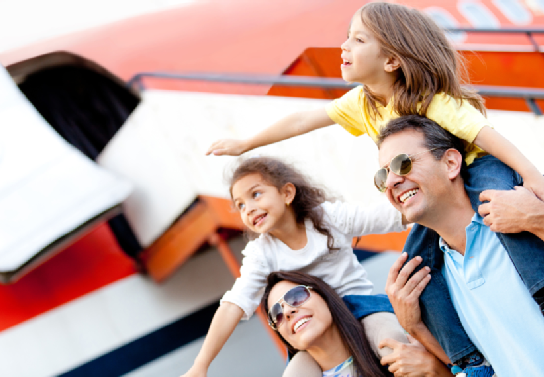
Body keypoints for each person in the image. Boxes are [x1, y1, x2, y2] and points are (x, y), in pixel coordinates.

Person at [206, 4, 544, 364]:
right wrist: (246, 144)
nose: (344, 47)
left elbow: (486, 135)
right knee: (416, 272)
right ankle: (470, 361)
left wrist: (534, 178)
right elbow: (303, 119)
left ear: (391, 61)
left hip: (476, 167)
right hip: (435, 189)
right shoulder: (362, 104)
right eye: (347, 37)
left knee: (509, 219)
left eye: (358, 39)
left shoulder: (430, 101)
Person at [181, 156, 408, 377]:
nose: (248, 208)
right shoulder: (261, 253)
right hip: (310, 331)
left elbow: (385, 217)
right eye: (240, 205)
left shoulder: (327, 219)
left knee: (392, 344)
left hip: (361, 311)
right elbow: (234, 304)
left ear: (287, 193)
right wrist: (201, 365)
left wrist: (424, 203)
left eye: (256, 194)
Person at [378, 114, 544, 376]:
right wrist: (414, 326)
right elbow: (474, 367)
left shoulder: (526, 207)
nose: (390, 182)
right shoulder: (432, 283)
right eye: (382, 175)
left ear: (451, 163)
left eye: (403, 163)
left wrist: (539, 221)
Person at [262, 271, 453, 377]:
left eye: (296, 296)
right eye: (276, 315)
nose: (287, 311)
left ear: (325, 296)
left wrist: (434, 368)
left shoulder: (406, 342)